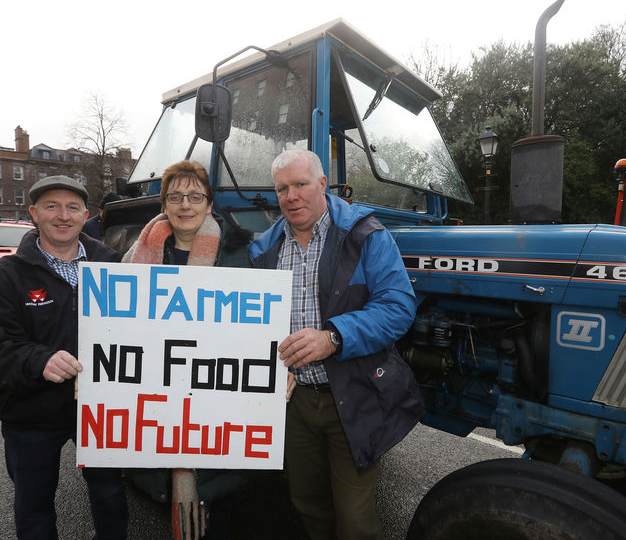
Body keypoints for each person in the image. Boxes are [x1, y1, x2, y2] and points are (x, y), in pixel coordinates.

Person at [248, 149, 423, 539]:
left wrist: (334, 337)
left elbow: (398, 307)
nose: (291, 196)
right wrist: (269, 370)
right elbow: (251, 324)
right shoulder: (263, 251)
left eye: (300, 184)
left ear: (323, 185)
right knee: (306, 502)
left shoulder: (366, 236)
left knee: (355, 519)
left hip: (353, 393)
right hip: (295, 402)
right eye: (281, 189)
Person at [0, 175, 128, 540]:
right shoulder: (4, 276)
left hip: (99, 408)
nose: (63, 216)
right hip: (30, 410)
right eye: (52, 207)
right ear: (34, 214)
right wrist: (39, 360)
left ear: (86, 214)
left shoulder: (112, 265)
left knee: (110, 495)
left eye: (72, 208)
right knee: (35, 504)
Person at [123, 160, 267, 540]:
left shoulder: (240, 256)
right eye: (176, 196)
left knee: (218, 510)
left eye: (194, 196)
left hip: (216, 404)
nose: (185, 205)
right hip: (157, 395)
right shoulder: (136, 257)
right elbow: (113, 328)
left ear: (208, 203)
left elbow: (258, 331)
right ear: (164, 204)